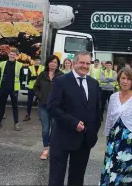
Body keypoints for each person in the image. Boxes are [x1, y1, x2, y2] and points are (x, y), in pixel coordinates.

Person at [47, 51, 101, 186]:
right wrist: (73, 123)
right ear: (74, 63)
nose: (85, 66)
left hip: (84, 141)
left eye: (88, 63)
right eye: (82, 62)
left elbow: (97, 111)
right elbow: (52, 108)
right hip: (62, 139)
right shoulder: (60, 81)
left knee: (77, 180)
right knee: (56, 179)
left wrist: (93, 132)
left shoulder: (94, 83)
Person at [100, 67, 132, 185]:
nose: (125, 81)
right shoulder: (113, 97)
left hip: (131, 145)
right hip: (113, 144)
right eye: (123, 78)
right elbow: (109, 120)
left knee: (127, 179)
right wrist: (107, 142)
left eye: (128, 79)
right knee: (109, 176)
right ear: (118, 79)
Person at [33, 55, 63, 160]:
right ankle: (46, 149)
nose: (53, 64)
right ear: (48, 63)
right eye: (51, 62)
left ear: (58, 64)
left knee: (55, 129)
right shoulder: (42, 74)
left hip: (56, 108)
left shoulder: (61, 75)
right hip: (43, 106)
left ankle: (53, 148)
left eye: (55, 62)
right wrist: (40, 96)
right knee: (45, 129)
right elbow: (35, 87)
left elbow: (65, 90)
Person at [0, 49, 24, 131]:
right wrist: (0, 87)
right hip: (4, 88)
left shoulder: (20, 65)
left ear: (16, 56)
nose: (12, 56)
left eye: (13, 54)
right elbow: (0, 75)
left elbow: (22, 77)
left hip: (13, 89)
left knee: (15, 107)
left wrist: (17, 86)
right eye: (11, 54)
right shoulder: (2, 64)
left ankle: (16, 124)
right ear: (8, 55)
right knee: (1, 106)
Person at [23, 57, 45, 121]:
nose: (37, 62)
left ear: (40, 61)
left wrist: (34, 76)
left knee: (41, 102)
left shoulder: (43, 68)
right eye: (35, 60)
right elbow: (29, 78)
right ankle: (28, 115)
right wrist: (38, 76)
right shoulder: (30, 67)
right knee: (29, 102)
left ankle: (41, 116)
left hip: (40, 87)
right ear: (33, 61)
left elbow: (43, 77)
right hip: (31, 87)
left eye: (38, 60)